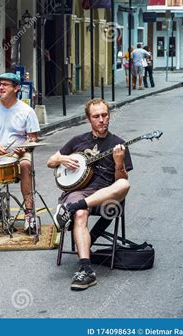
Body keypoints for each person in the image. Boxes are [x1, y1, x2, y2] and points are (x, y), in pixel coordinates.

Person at [47, 98, 132, 291]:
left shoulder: (118, 144)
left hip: (106, 196)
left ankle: (70, 209)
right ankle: (86, 269)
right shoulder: (78, 141)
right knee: (81, 212)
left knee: (124, 184)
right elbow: (51, 161)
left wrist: (119, 163)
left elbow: (121, 178)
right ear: (89, 119)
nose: (102, 120)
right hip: (78, 191)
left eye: (105, 115)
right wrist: (63, 158)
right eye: (96, 116)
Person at [0, 73, 40, 230]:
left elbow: (33, 138)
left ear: (16, 88)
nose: (1, 87)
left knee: (25, 166)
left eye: (5, 85)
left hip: (18, 153)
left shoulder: (27, 110)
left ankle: (29, 213)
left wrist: (24, 147)